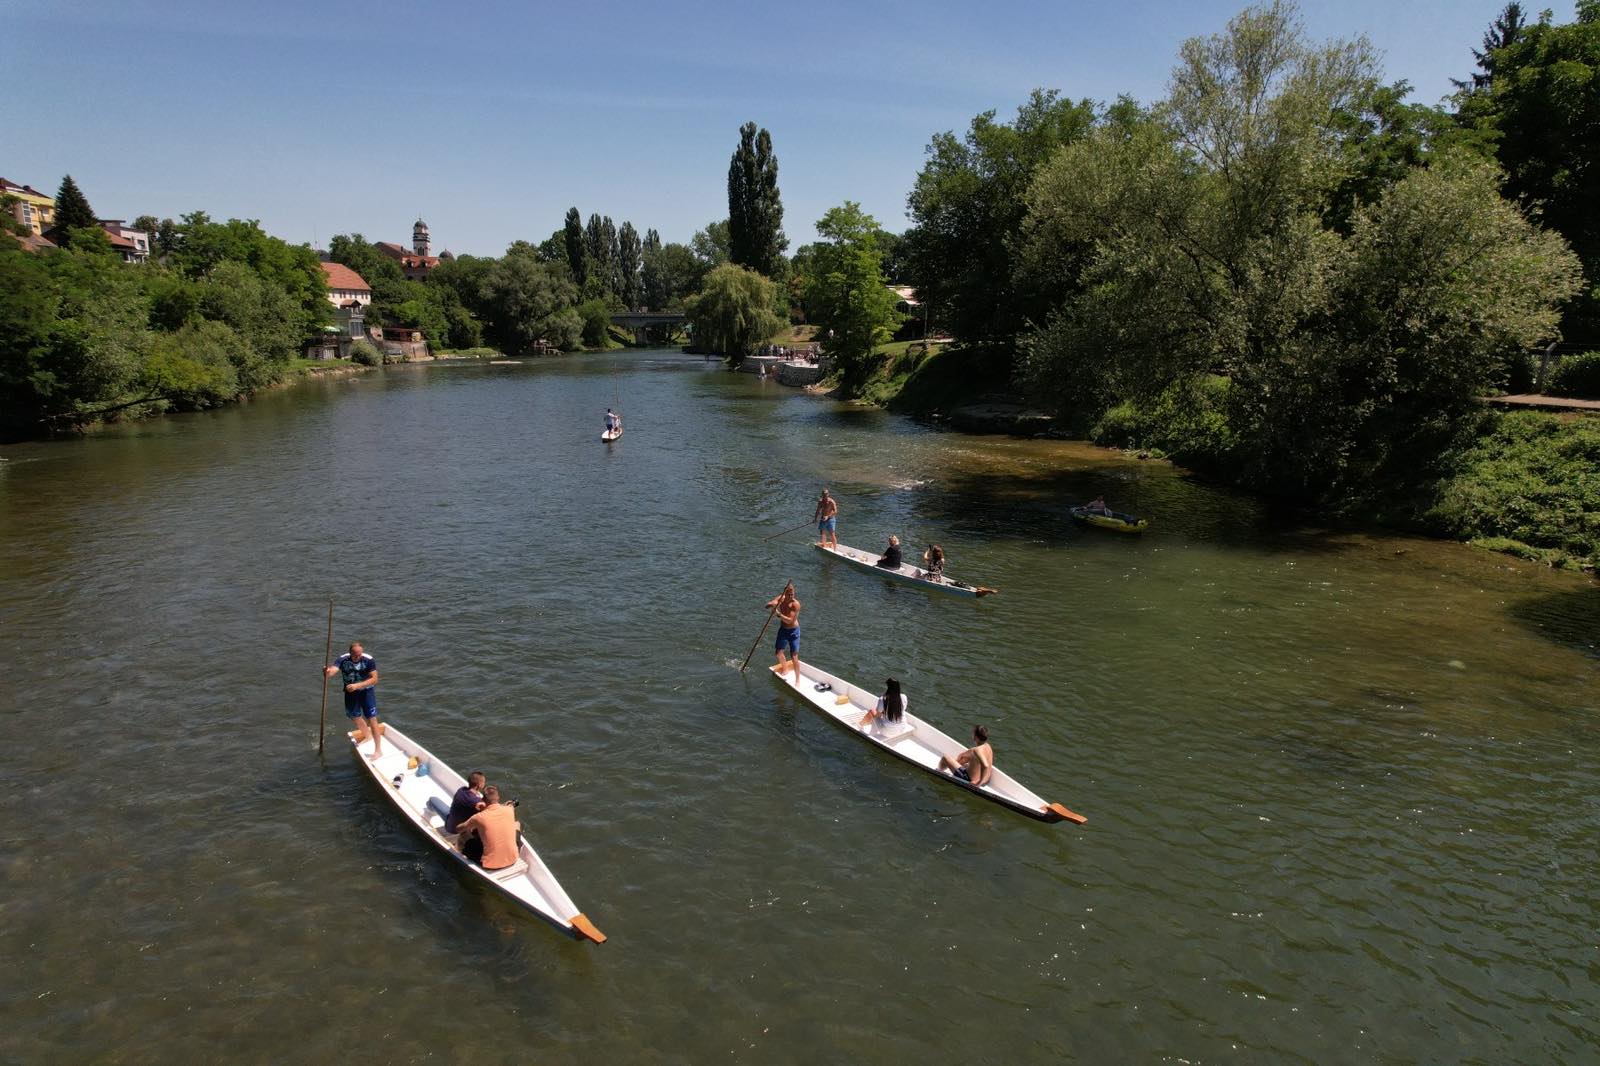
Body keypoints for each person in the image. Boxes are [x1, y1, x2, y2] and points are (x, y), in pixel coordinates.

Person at [325, 641, 382, 759]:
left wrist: (357, 686)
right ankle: (367, 736)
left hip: (366, 692)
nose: (359, 657)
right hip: (350, 693)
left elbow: (375, 679)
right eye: (356, 655)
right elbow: (333, 671)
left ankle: (378, 750)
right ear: (350, 653)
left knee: (372, 719)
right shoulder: (343, 659)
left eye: (360, 654)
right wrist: (327, 672)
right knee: (354, 716)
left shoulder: (368, 659)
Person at [455, 785, 520, 870]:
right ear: (498, 798)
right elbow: (509, 806)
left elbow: (458, 829)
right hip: (513, 858)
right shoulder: (509, 810)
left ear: (483, 800)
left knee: (464, 834)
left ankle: (457, 852)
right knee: (517, 824)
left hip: (490, 864)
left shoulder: (478, 817)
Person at [766, 582, 802, 682]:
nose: (791, 596)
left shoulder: (796, 604)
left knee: (794, 656)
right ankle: (785, 669)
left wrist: (778, 614)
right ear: (785, 593)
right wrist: (771, 605)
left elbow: (790, 620)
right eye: (789, 594)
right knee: (778, 652)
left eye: (792, 594)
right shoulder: (781, 598)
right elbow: (772, 602)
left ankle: (797, 680)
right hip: (783, 629)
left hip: (794, 632)